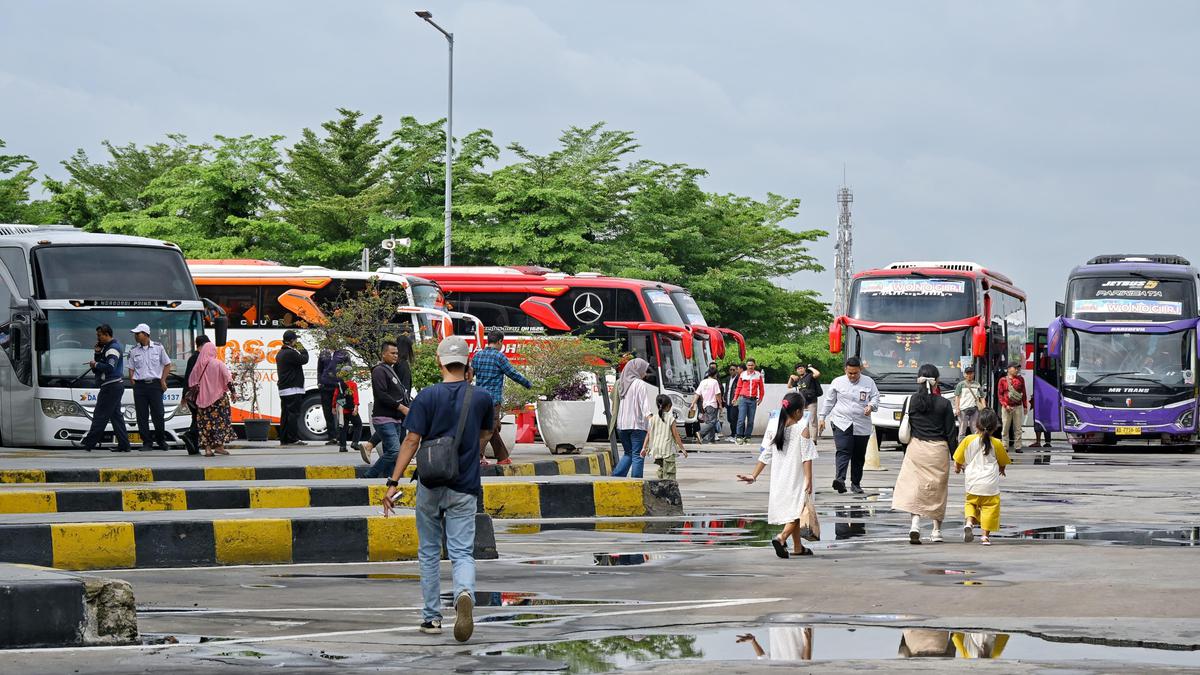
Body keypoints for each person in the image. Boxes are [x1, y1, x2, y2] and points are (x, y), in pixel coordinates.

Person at [381, 336, 494, 643]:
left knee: (429, 552)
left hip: (430, 482)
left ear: (439, 362)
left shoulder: (427, 397)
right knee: (461, 551)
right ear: (467, 363)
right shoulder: (481, 397)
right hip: (465, 485)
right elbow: (486, 434)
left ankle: (432, 618)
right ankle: (465, 593)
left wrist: (393, 483)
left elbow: (411, 441)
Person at [737, 392, 818, 558]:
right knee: (798, 511)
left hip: (780, 479)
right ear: (797, 412)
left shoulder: (777, 429)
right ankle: (782, 537)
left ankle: (797, 547)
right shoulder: (802, 429)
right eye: (802, 410)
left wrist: (754, 476)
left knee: (793, 511)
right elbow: (807, 456)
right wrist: (808, 479)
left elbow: (766, 455)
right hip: (796, 477)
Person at [892, 364, 957, 545]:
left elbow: (904, 430)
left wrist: (908, 453)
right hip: (938, 450)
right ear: (936, 381)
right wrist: (956, 457)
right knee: (938, 490)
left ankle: (915, 524)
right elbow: (951, 433)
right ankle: (936, 531)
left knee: (915, 488)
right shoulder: (944, 403)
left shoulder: (910, 401)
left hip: (916, 449)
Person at [818, 357, 880, 494]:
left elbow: (876, 397)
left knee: (858, 455)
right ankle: (840, 480)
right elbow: (829, 401)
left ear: (861, 370)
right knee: (843, 450)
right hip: (841, 421)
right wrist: (822, 417)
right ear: (845, 370)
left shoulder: (869, 382)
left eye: (855, 373)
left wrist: (871, 406)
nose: (852, 376)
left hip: (861, 423)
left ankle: (856, 484)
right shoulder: (837, 382)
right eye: (850, 373)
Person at [471, 330, 532, 466]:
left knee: (494, 427)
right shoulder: (499, 357)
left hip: (478, 398)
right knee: (489, 429)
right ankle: (473, 458)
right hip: (493, 400)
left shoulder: (477, 356)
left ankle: (502, 457)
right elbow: (512, 373)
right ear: (499, 341)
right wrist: (528, 384)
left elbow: (469, 375)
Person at [954, 408, 1011, 546]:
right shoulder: (997, 443)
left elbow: (958, 459)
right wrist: (1002, 470)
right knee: (990, 507)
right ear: (994, 427)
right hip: (990, 484)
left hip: (972, 482)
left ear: (977, 424)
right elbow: (1003, 462)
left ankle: (969, 522)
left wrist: (957, 468)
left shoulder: (968, 440)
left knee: (971, 503)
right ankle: (985, 537)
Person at [360, 335, 415, 464]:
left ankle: (371, 446)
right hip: (399, 405)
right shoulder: (402, 365)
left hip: (392, 405)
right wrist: (403, 405)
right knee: (398, 432)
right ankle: (400, 457)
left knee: (391, 432)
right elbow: (404, 388)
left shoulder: (392, 365)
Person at [80, 324, 131, 453]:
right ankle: (124, 445)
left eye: (99, 335)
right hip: (114, 386)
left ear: (107, 334)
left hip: (110, 386)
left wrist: (95, 363)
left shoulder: (112, 349)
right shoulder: (107, 348)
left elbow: (109, 367)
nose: (98, 338)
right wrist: (97, 354)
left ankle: (89, 443)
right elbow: (99, 366)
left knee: (100, 415)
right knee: (116, 417)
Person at [127, 323, 173, 452]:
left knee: (158, 414)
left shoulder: (158, 348)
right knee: (142, 416)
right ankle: (147, 443)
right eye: (135, 334)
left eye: (138, 334)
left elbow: (167, 364)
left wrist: (163, 380)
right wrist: (133, 381)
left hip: (155, 385)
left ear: (146, 334)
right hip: (140, 386)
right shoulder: (133, 350)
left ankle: (161, 441)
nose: (135, 336)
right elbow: (131, 368)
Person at [612, 357, 657, 478]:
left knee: (628, 454)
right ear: (637, 370)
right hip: (637, 425)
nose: (645, 374)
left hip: (622, 426)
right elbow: (645, 406)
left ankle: (616, 478)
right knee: (638, 455)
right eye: (644, 370)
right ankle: (636, 483)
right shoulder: (639, 384)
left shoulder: (621, 383)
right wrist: (652, 420)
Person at [189, 341, 236, 457]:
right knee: (220, 423)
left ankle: (208, 449)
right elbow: (228, 379)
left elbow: (192, 382)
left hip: (202, 400)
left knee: (205, 424)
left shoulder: (198, 365)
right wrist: (233, 392)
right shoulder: (218, 364)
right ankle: (219, 447)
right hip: (219, 400)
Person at [640, 394, 688, 479]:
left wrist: (644, 448)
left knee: (662, 471)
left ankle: (661, 488)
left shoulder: (652, 419)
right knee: (669, 475)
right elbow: (676, 435)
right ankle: (668, 490)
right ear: (669, 406)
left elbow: (648, 434)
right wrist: (682, 449)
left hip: (657, 450)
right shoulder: (670, 419)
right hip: (667, 451)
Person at [276, 329, 309, 446]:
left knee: (285, 414)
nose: (297, 342)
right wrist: (301, 347)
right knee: (293, 414)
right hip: (293, 388)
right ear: (291, 341)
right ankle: (293, 438)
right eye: (296, 340)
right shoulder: (290, 353)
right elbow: (304, 359)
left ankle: (284, 438)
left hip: (284, 389)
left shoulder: (280, 353)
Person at [181, 335, 212, 455]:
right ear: (203, 345)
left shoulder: (192, 358)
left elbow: (186, 378)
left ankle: (193, 447)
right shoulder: (200, 359)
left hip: (191, 394)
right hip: (199, 395)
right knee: (201, 419)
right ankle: (190, 434)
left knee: (195, 418)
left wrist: (184, 395)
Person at [788, 363, 823, 443]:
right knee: (804, 422)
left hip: (812, 401)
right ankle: (805, 439)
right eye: (798, 369)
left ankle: (813, 440)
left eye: (801, 368)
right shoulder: (798, 379)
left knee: (812, 420)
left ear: (804, 368)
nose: (800, 370)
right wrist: (791, 377)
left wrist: (810, 368)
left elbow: (817, 374)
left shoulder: (810, 376)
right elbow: (789, 386)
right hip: (802, 402)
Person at [733, 358, 766, 444]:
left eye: (752, 365)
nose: (750, 367)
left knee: (751, 420)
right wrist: (735, 398)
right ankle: (739, 436)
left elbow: (761, 388)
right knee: (741, 419)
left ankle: (747, 437)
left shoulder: (758, 375)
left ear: (754, 365)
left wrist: (761, 398)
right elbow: (739, 387)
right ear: (746, 366)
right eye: (748, 365)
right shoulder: (742, 374)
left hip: (753, 400)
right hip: (743, 399)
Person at [997, 364, 1028, 453]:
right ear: (1009, 369)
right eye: (1015, 368)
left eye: (1018, 368)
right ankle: (1004, 446)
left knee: (1018, 428)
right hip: (1006, 407)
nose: (1017, 370)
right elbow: (1000, 395)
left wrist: (1025, 406)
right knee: (1005, 427)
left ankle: (1018, 447)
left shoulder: (1020, 379)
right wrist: (1005, 405)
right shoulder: (1002, 380)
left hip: (1018, 406)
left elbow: (1024, 393)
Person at [334, 364, 363, 454]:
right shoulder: (352, 384)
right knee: (358, 424)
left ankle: (342, 446)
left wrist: (333, 407)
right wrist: (356, 407)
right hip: (350, 408)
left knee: (343, 427)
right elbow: (355, 396)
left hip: (342, 409)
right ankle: (355, 442)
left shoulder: (339, 384)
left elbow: (335, 396)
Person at [953, 366, 984, 444]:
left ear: (973, 374)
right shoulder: (960, 385)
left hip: (974, 409)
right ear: (964, 375)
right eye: (968, 373)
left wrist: (984, 408)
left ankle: (976, 444)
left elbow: (982, 397)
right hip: (963, 409)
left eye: (971, 373)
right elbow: (957, 397)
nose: (969, 375)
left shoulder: (977, 384)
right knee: (962, 429)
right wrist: (957, 408)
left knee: (975, 429)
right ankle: (961, 445)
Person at [316, 348, 341, 445]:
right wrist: (319, 382)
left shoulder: (343, 353)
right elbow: (319, 370)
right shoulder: (323, 353)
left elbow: (348, 369)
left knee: (341, 411)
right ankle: (332, 437)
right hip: (325, 388)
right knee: (327, 412)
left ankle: (340, 436)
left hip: (338, 389)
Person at [695, 365, 724, 443]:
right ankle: (700, 434)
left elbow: (697, 393)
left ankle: (711, 440)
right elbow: (717, 394)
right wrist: (720, 404)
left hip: (705, 405)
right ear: (715, 374)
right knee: (712, 422)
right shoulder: (715, 382)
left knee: (709, 421)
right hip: (712, 404)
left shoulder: (703, 382)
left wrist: (692, 403)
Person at [723, 363, 743, 442]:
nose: (732, 371)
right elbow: (727, 389)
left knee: (734, 418)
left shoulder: (739, 378)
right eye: (730, 370)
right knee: (729, 419)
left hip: (734, 401)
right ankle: (733, 434)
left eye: (733, 370)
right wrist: (724, 398)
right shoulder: (728, 379)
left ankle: (735, 434)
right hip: (728, 401)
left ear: (736, 371)